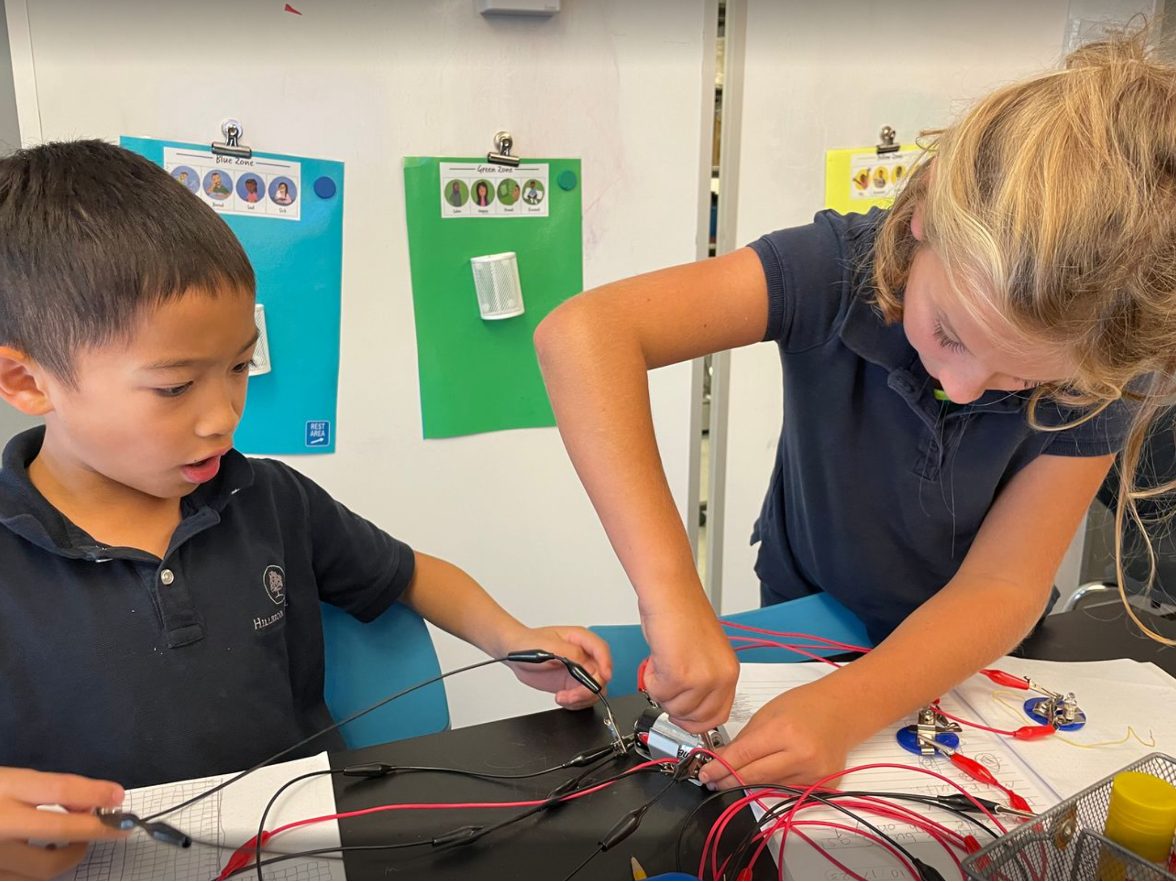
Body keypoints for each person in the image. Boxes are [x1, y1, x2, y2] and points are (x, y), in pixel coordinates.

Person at [534, 30, 1176, 788]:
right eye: (950, 333)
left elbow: (1003, 585)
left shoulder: (1098, 366)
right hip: (807, 614)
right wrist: (672, 596)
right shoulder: (832, 270)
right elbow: (584, 334)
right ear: (924, 209)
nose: (967, 387)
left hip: (964, 655)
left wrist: (846, 708)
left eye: (1021, 382)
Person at [0, 142, 612, 846]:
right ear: (26, 382)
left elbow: (411, 573)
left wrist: (511, 637)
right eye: (174, 386)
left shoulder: (268, 498)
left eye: (238, 365)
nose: (223, 415)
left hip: (296, 846)